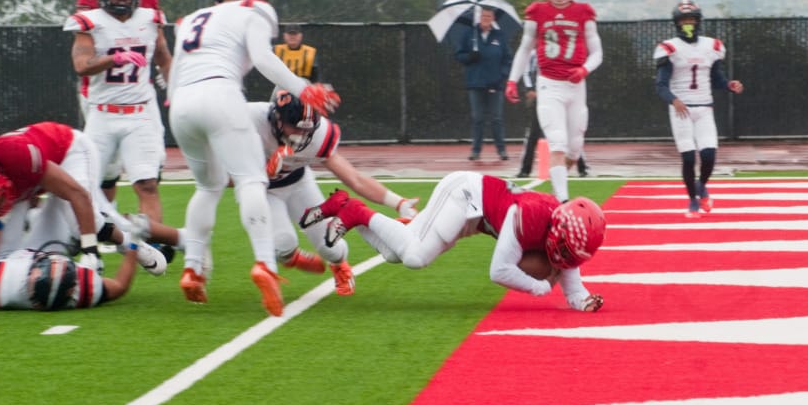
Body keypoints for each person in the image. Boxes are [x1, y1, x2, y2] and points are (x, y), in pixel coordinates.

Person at [167, 0, 340, 317]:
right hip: (219, 93)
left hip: (180, 104)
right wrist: (303, 88)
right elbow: (262, 58)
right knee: (251, 181)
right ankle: (265, 265)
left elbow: (174, 72)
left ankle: (193, 267)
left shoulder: (193, 18)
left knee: (207, 187)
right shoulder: (254, 10)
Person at [299, 172, 606, 312]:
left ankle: (348, 207)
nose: (564, 259)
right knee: (414, 257)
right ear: (558, 229)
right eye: (563, 248)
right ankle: (354, 211)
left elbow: (569, 271)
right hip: (465, 196)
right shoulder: (529, 216)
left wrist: (581, 300)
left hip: (475, 217)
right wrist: (539, 287)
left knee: (393, 253)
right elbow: (499, 270)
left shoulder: (561, 227)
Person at [250, 88, 418, 295]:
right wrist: (261, 172)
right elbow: (222, 180)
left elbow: (355, 179)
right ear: (276, 117)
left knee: (330, 247)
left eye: (306, 130)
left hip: (299, 184)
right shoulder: (249, 122)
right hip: (264, 191)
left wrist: (398, 202)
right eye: (294, 126)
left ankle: (338, 264)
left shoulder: (319, 137)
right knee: (283, 244)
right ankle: (291, 257)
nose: (301, 136)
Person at [64, 0, 172, 224]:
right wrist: (114, 58)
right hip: (103, 114)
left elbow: (164, 58)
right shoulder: (91, 23)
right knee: (87, 185)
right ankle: (87, 241)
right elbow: (81, 65)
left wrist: (174, 90)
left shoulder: (150, 19)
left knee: (147, 184)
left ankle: (153, 242)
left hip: (139, 113)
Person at [0, 122, 168, 277]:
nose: (2, 205)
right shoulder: (0, 186)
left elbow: (77, 194)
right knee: (6, 258)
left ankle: (128, 242)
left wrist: (90, 250)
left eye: (2, 198)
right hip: (29, 175)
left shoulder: (18, 156)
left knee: (81, 224)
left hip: (69, 152)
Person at [506, 0, 602, 202]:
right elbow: (524, 48)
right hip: (549, 85)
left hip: (576, 86)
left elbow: (597, 53)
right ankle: (562, 200)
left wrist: (584, 69)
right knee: (557, 142)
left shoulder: (583, 12)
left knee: (575, 147)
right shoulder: (537, 12)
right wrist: (512, 80)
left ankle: (558, 181)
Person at [653, 0, 744, 218]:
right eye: (684, 20)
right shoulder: (670, 48)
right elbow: (661, 85)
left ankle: (700, 186)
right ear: (677, 23)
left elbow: (717, 78)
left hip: (704, 107)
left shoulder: (711, 46)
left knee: (709, 154)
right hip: (681, 109)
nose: (688, 23)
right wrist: (674, 100)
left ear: (698, 21)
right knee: (688, 158)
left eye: (691, 19)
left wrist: (729, 85)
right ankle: (693, 201)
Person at [0, 243, 139, 310]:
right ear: (73, 289)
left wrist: (0, 218)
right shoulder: (85, 287)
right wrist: (134, 242)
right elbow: (120, 285)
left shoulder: (0, 283)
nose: (56, 260)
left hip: (7, 254)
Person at [514, 51, 589, 178]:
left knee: (572, 132)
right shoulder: (532, 52)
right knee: (533, 133)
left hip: (561, 96)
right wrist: (530, 89)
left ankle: (582, 168)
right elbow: (526, 71)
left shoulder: (561, 51)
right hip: (544, 97)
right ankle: (525, 170)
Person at [455, 6, 512, 161]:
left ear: (493, 19)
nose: (486, 19)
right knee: (477, 118)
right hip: (475, 83)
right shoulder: (469, 34)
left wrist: (502, 75)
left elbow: (507, 58)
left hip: (495, 84)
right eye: (483, 16)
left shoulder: (499, 36)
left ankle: (501, 150)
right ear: (479, 17)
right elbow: (459, 55)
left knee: (496, 118)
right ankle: (476, 150)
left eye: (489, 16)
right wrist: (469, 57)